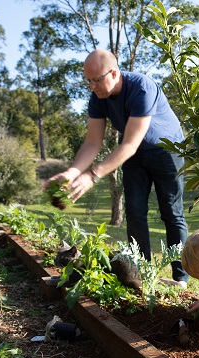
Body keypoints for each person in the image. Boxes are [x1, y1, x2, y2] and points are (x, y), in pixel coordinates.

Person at [44, 48, 189, 287]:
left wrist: (92, 175)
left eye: (97, 80)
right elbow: (92, 142)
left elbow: (130, 143)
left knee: (171, 213)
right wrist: (71, 172)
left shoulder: (141, 88)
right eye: (88, 81)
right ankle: (140, 274)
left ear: (113, 72)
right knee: (134, 211)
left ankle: (180, 278)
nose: (92, 86)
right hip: (135, 154)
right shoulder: (98, 98)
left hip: (167, 150)